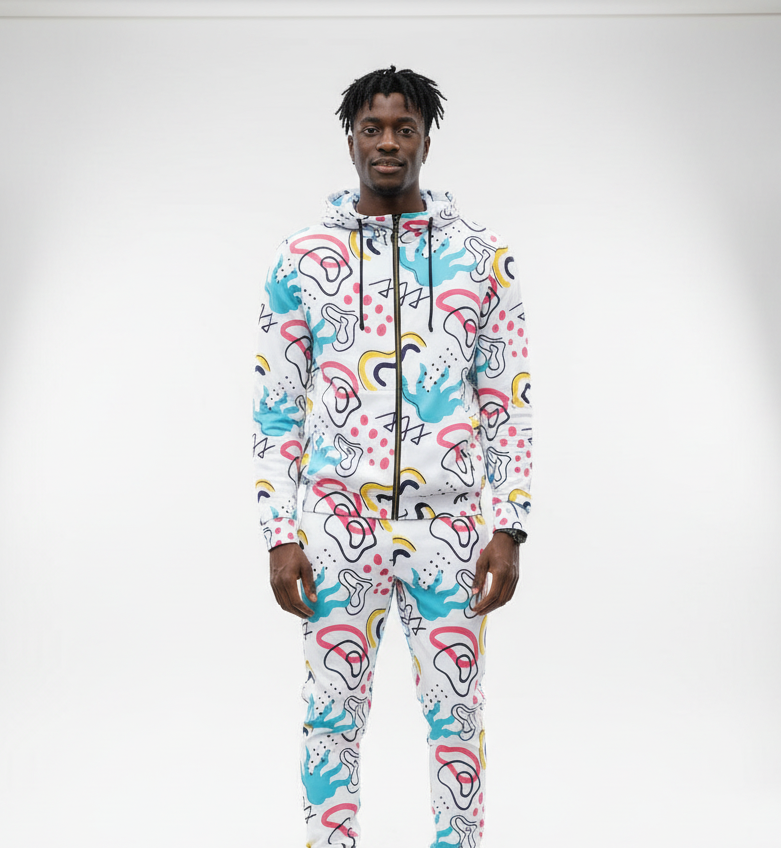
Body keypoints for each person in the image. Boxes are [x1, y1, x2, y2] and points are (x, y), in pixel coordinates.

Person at [252, 66, 532, 848]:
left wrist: (508, 526)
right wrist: (279, 533)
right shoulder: (301, 259)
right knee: (330, 719)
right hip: (336, 526)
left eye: (403, 128)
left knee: (457, 720)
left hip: (451, 532)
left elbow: (507, 401)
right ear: (350, 139)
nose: (386, 142)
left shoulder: (482, 256)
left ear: (425, 142)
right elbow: (276, 407)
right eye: (371, 128)